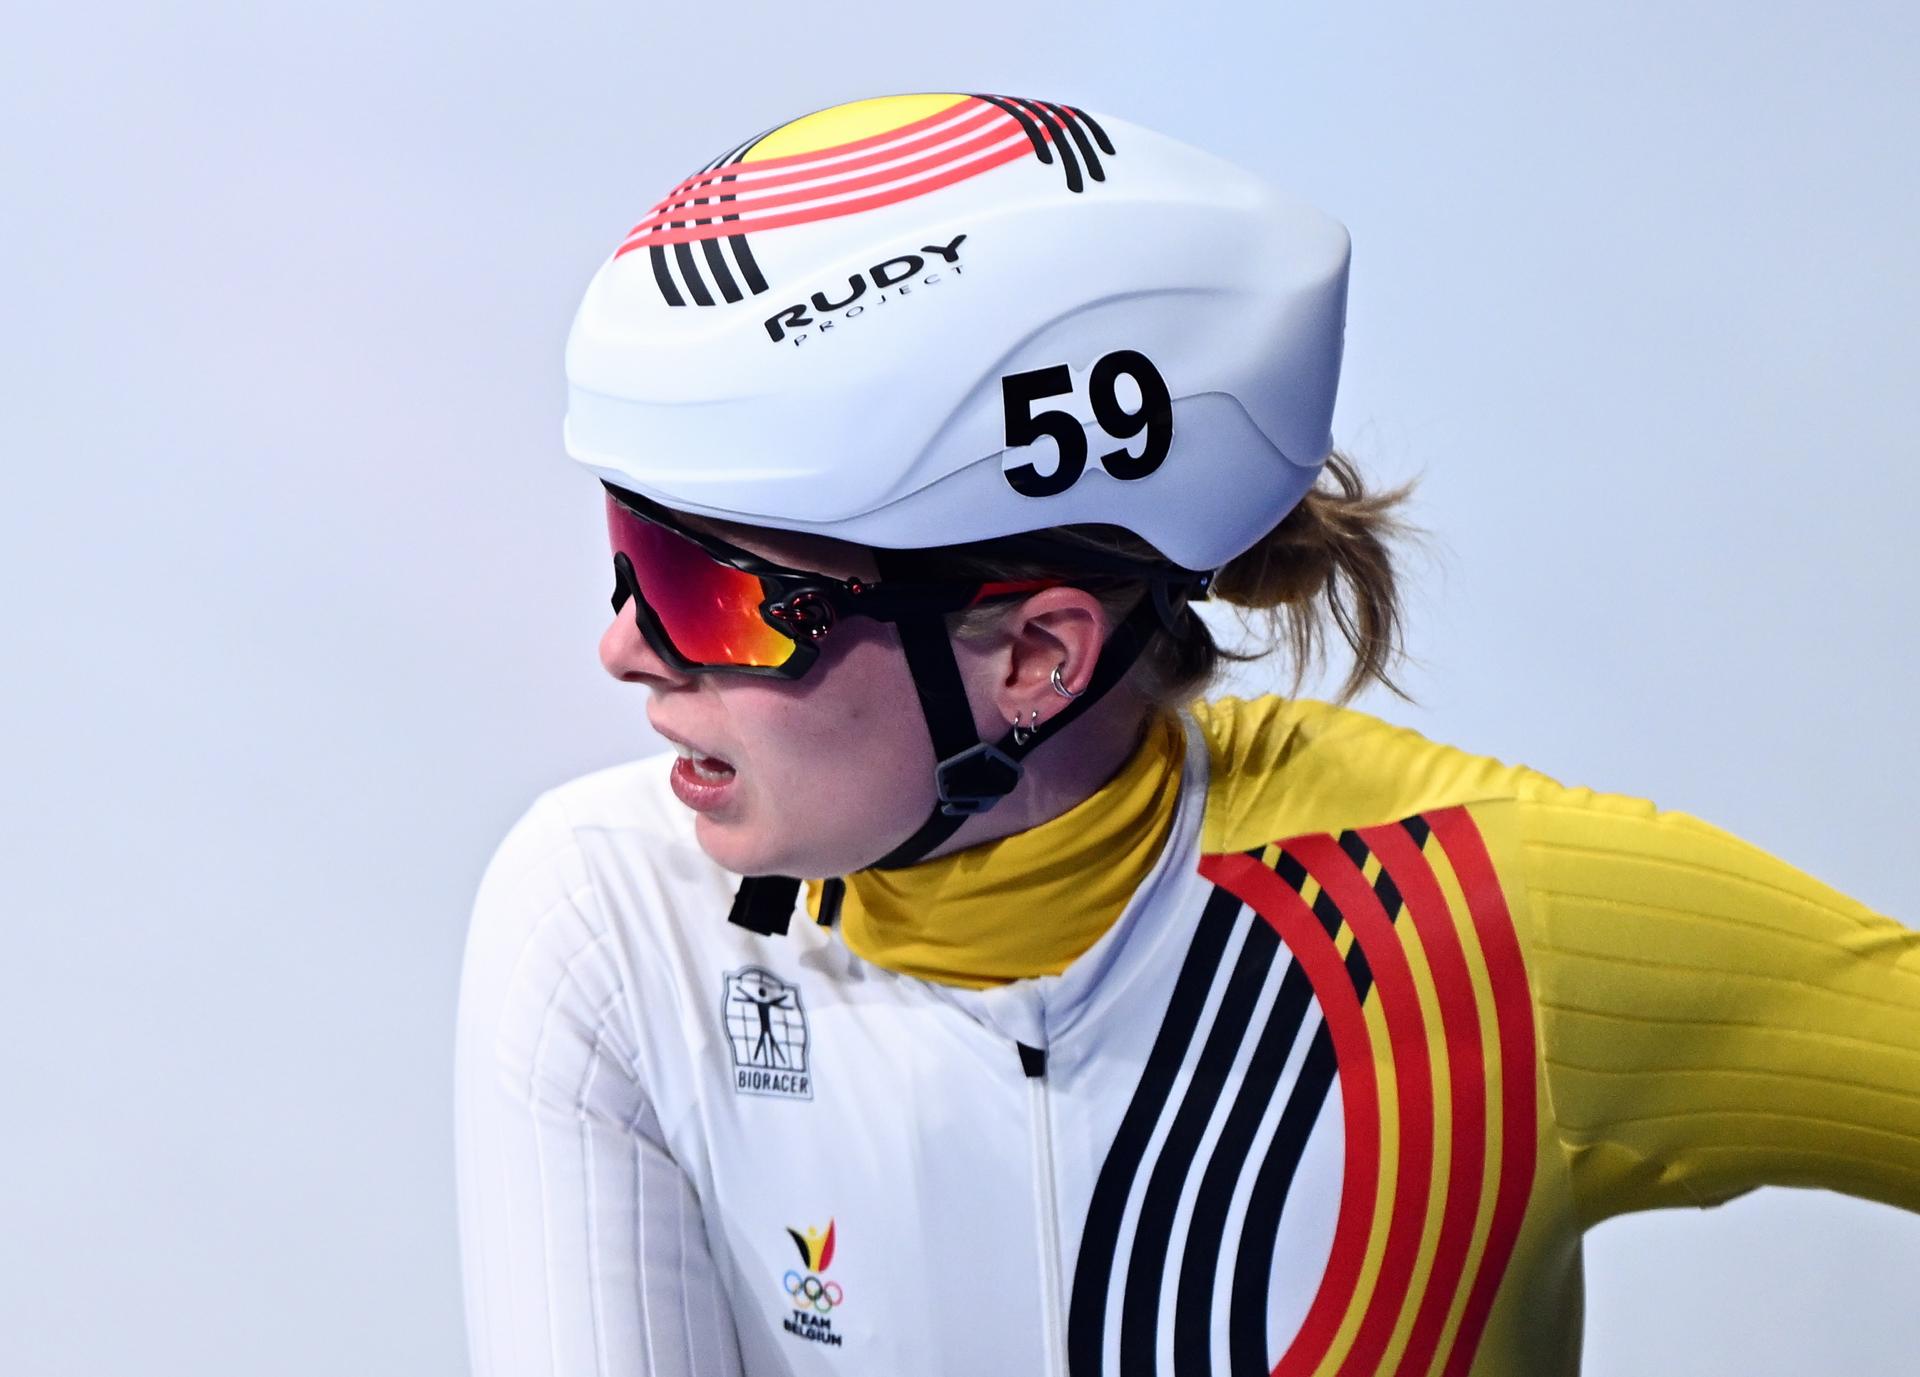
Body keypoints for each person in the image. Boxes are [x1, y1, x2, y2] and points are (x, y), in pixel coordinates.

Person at [453, 92, 1920, 1376]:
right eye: (630, 554)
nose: (625, 645)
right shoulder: (608, 922)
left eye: (710, 590)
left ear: (1036, 654)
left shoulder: (1476, 922)